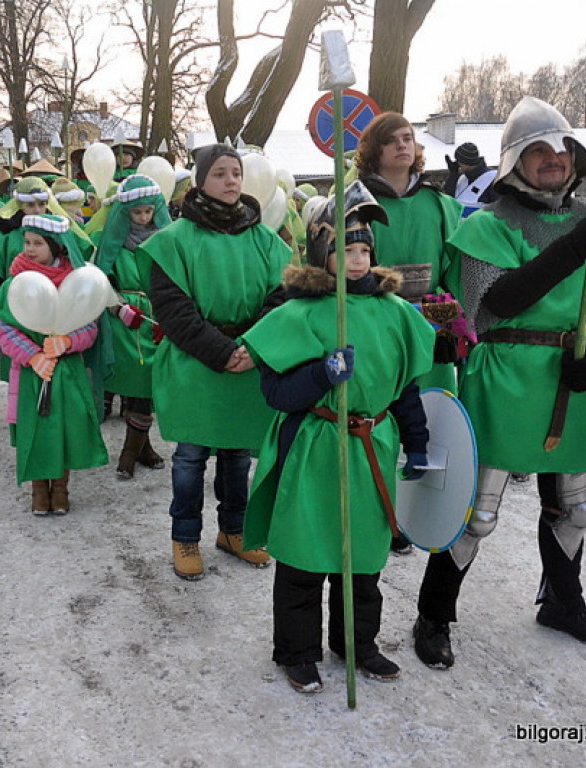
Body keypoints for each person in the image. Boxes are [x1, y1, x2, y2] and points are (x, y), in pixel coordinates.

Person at [412, 96, 586, 670]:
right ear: (514, 163)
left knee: (577, 508)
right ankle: (433, 615)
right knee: (475, 513)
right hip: (506, 378)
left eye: (563, 149)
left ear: (577, 159)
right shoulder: (488, 226)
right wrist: (577, 250)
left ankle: (563, 604)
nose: (554, 158)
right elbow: (492, 308)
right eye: (538, 150)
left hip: (579, 382)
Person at [241, 182, 434, 692]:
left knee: (362, 560)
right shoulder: (298, 313)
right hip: (316, 448)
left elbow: (405, 391)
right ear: (321, 252)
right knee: (306, 557)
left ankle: (357, 644)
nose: (357, 260)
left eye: (365, 249)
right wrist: (323, 375)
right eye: (346, 250)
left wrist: (417, 443)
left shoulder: (396, 315)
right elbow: (277, 393)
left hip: (371, 446)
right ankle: (297, 651)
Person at [140, 144, 291, 580]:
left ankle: (235, 531)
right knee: (190, 458)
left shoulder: (265, 239)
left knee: (237, 456)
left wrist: (251, 349)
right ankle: (185, 536)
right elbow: (174, 310)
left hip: (246, 362)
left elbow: (279, 302)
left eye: (236, 173)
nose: (231, 181)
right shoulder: (174, 241)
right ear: (200, 180)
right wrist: (224, 354)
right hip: (196, 364)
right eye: (221, 173)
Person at [355, 112, 464, 555]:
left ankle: (420, 513)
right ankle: (384, 514)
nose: (403, 146)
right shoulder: (356, 203)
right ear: (374, 150)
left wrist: (452, 318)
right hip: (378, 331)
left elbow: (456, 271)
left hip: (433, 335)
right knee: (383, 425)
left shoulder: (440, 205)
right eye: (392, 140)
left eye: (408, 139)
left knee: (430, 426)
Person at [0, 214, 108, 515]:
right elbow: (4, 328)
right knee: (37, 430)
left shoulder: (76, 282)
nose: (29, 249)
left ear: (56, 247)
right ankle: (38, 489)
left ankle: (60, 487)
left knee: (64, 431)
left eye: (38, 243)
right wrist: (33, 355)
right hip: (32, 372)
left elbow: (89, 325)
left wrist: (68, 342)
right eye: (27, 242)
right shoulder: (15, 283)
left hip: (67, 373)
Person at [93, 174, 171, 479]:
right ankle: (136, 450)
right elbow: (100, 280)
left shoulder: (165, 240)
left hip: (158, 319)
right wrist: (117, 307)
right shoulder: (112, 243)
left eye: (147, 212)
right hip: (125, 321)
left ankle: (134, 450)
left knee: (147, 385)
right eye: (136, 213)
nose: (142, 218)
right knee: (137, 385)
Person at [443, 141, 498, 216]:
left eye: (458, 160)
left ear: (465, 162)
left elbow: (500, 210)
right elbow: (449, 199)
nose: (457, 164)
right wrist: (453, 175)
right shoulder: (463, 178)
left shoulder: (493, 178)